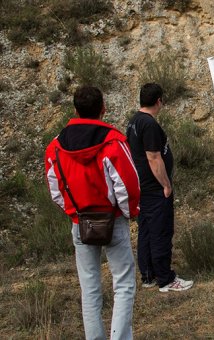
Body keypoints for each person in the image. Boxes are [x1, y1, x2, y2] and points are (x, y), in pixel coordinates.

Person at [45, 86, 140, 339]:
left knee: (89, 288)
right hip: (113, 220)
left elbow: (55, 188)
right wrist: (130, 212)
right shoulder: (113, 142)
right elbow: (127, 183)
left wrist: (73, 212)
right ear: (103, 108)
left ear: (75, 110)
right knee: (123, 283)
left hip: (80, 221)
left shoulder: (55, 147)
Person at [126, 83, 193, 292]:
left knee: (146, 230)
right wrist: (165, 184)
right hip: (154, 187)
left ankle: (148, 275)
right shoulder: (149, 125)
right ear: (159, 101)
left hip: (142, 186)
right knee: (160, 232)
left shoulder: (134, 122)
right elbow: (154, 158)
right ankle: (165, 279)